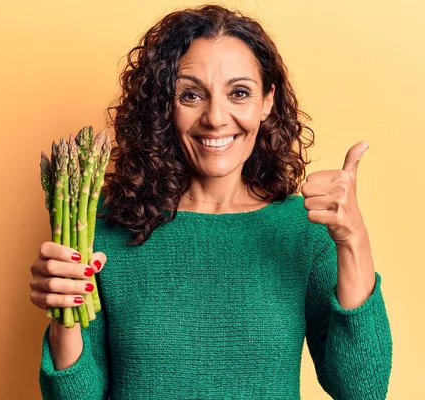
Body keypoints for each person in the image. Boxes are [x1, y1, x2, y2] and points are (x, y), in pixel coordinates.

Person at [29, 4, 393, 399]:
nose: (216, 117)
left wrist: (354, 239)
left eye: (239, 93)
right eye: (190, 94)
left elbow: (363, 389)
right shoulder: (104, 228)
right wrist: (63, 312)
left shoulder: (306, 232)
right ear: (164, 105)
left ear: (267, 100)